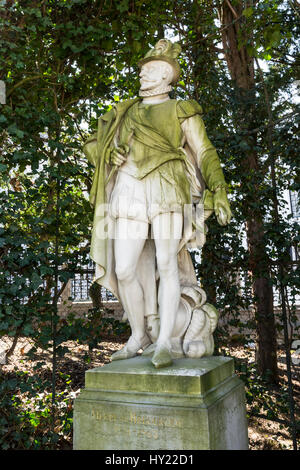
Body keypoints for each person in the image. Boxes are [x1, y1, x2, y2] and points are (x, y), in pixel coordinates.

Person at [83, 39, 232, 368]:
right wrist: (110, 154)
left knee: (166, 263)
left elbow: (204, 150)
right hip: (128, 185)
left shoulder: (182, 108)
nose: (142, 76)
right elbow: (95, 146)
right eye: (142, 71)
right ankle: (138, 335)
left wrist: (219, 186)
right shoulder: (125, 112)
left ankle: (165, 341)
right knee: (124, 268)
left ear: (167, 76)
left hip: (167, 183)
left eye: (149, 71)